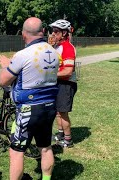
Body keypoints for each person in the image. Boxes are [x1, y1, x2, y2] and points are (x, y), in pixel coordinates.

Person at [0, 17, 60, 180]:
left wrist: (7, 65)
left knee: (16, 152)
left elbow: (3, 80)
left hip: (28, 109)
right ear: (43, 32)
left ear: (23, 34)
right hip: (50, 106)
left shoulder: (22, 54)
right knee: (45, 147)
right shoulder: (53, 52)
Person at [49, 19, 77, 148]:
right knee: (57, 111)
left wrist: (48, 75)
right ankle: (60, 135)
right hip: (58, 82)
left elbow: (68, 71)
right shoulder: (57, 46)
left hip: (66, 84)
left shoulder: (67, 48)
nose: (53, 34)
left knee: (63, 112)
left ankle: (68, 140)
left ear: (64, 33)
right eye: (52, 31)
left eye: (56, 31)